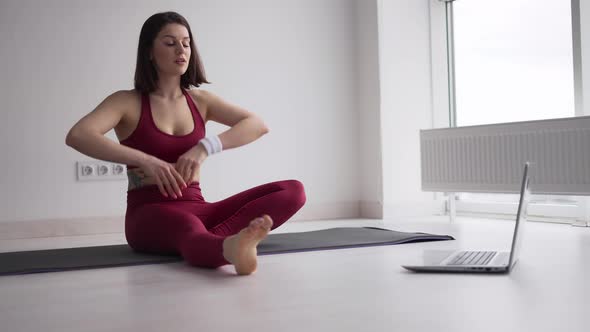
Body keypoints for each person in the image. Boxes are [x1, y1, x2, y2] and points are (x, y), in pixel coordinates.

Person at [65, 11, 306, 275]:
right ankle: (228, 248)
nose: (181, 49)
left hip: (200, 208)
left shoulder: (201, 102)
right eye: (170, 43)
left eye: (186, 42)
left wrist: (205, 147)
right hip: (148, 214)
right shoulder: (127, 102)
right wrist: (144, 159)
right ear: (149, 51)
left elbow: (257, 124)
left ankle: (222, 242)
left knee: (293, 190)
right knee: (187, 228)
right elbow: (79, 135)